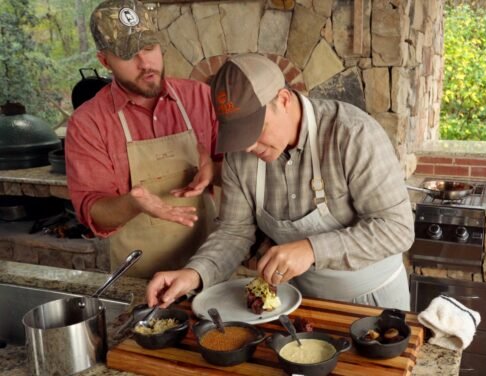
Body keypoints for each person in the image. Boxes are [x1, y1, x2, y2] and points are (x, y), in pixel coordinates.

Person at [146, 53, 414, 310]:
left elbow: (396, 229)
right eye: (239, 134)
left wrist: (312, 249)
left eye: (256, 130)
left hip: (373, 300)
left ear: (284, 99)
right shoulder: (239, 156)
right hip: (300, 300)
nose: (249, 146)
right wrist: (193, 274)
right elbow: (234, 232)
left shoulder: (353, 134)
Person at [65, 0, 221, 278]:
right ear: (105, 61)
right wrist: (134, 203)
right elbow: (94, 211)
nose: (145, 63)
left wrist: (214, 171)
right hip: (140, 279)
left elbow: (239, 170)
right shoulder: (88, 124)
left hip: (209, 266)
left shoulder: (199, 97)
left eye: (149, 48)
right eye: (128, 54)